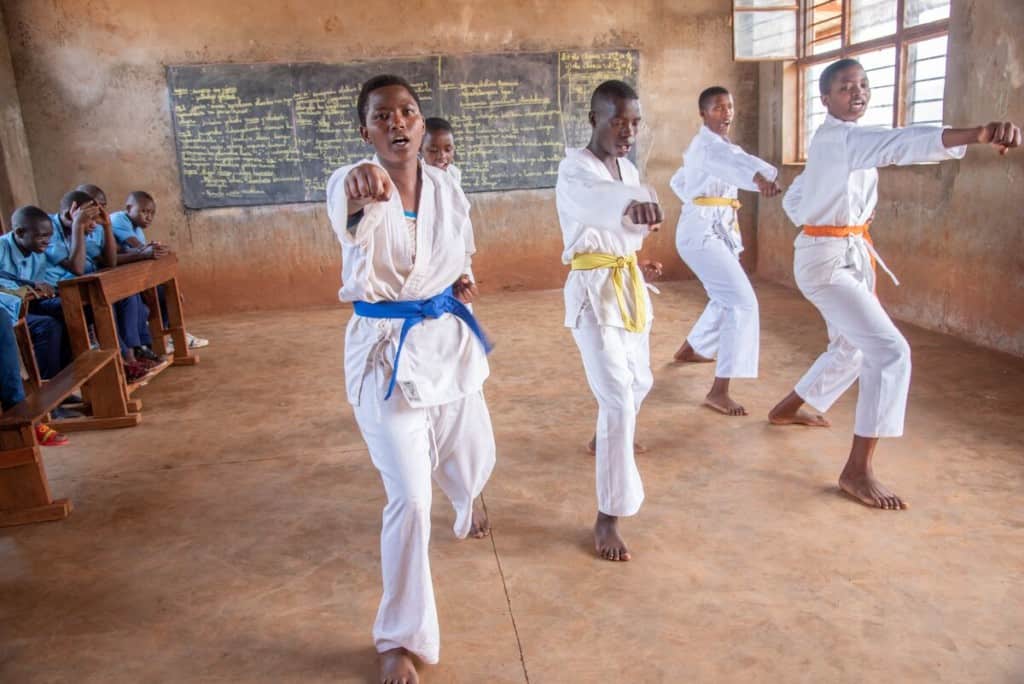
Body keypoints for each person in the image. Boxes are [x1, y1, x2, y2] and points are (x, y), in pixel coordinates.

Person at [767, 57, 1021, 510]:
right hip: (828, 263)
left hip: (840, 252)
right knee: (891, 351)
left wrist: (831, 221)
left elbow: (795, 196)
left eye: (863, 85)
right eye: (846, 87)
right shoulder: (842, 139)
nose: (858, 93)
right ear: (825, 99)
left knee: (852, 345)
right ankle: (856, 471)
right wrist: (976, 134)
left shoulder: (836, 141)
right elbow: (902, 143)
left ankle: (788, 408)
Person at [326, 74, 496, 684]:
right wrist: (357, 183)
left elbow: (461, 248)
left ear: (422, 125)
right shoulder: (354, 182)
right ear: (366, 130)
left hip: (446, 341)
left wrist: (461, 280)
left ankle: (465, 496)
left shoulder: (448, 188)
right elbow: (347, 202)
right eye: (382, 116)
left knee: (473, 458)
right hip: (384, 354)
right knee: (409, 497)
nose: (397, 123)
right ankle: (399, 638)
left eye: (408, 113)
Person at [556, 79, 663, 562]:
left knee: (639, 384)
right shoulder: (573, 169)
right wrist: (629, 206)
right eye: (618, 120)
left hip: (627, 287)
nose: (627, 131)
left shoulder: (628, 167)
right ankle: (608, 515)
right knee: (620, 399)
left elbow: (632, 223)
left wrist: (638, 254)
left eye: (634, 123)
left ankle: (605, 435)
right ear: (594, 119)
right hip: (593, 295)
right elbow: (598, 202)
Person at [670, 86, 781, 416]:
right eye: (718, 108)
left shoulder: (716, 146)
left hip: (710, 228)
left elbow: (681, 180)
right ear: (703, 114)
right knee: (743, 303)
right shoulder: (708, 147)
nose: (726, 113)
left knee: (725, 296)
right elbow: (731, 164)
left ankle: (692, 348)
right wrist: (758, 179)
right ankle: (719, 391)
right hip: (701, 233)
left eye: (729, 107)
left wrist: (756, 176)